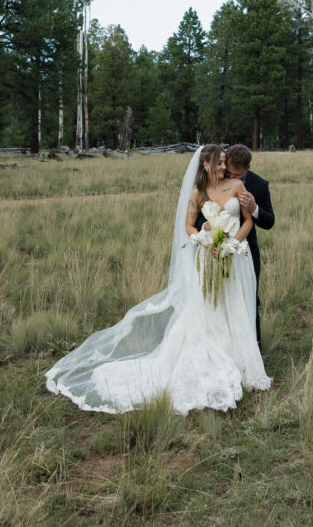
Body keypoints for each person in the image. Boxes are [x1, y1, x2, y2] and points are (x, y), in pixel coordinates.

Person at [45, 145, 271, 415]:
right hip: (209, 257)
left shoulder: (238, 186)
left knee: (235, 307)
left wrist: (230, 245)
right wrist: (207, 239)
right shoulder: (198, 192)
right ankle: (212, 362)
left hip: (234, 256)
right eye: (219, 163)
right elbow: (189, 226)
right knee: (209, 311)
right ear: (206, 165)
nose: (224, 167)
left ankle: (243, 362)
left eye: (225, 162)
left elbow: (249, 221)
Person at [200, 144, 274, 350]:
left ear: (248, 168)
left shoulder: (259, 185)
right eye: (229, 173)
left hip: (245, 251)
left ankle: (254, 350)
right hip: (214, 249)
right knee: (218, 298)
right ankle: (221, 347)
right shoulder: (215, 178)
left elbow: (269, 221)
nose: (231, 177)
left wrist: (254, 208)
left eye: (237, 175)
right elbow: (199, 214)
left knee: (249, 298)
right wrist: (210, 232)